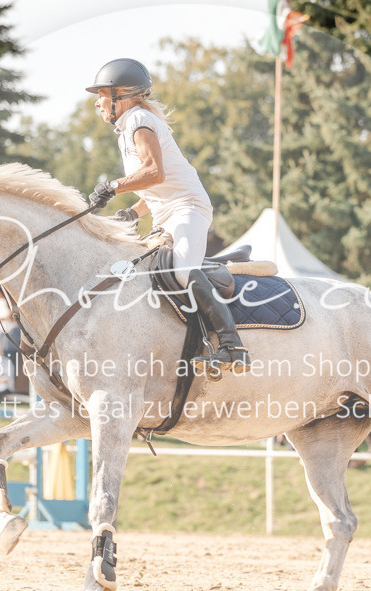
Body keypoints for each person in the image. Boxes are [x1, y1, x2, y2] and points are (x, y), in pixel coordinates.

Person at [85, 57, 250, 372]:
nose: (97, 103)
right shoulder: (128, 127)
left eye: (102, 95)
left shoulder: (138, 119)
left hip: (188, 208)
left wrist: (113, 186)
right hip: (166, 214)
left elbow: (154, 172)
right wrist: (133, 213)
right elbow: (158, 185)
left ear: (121, 95)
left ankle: (233, 347)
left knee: (183, 270)